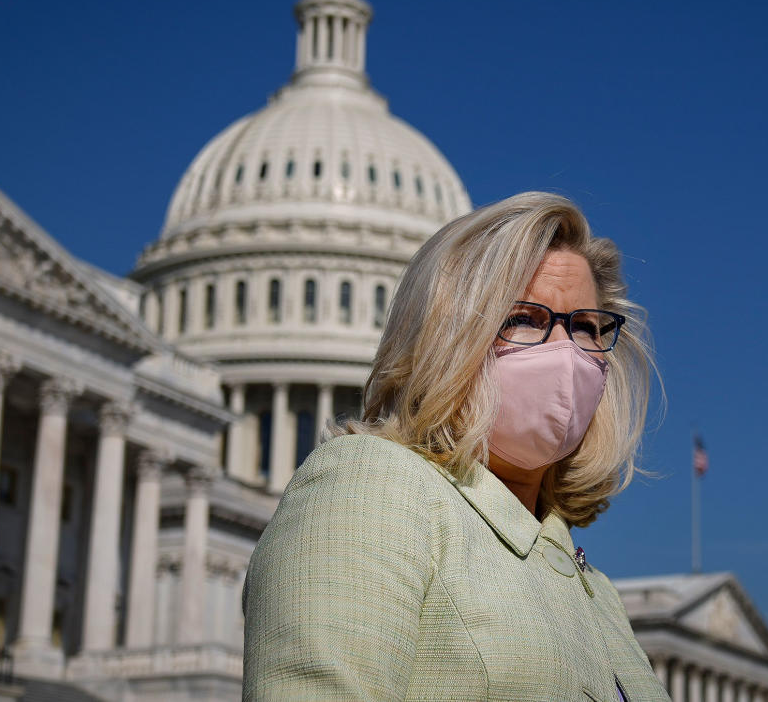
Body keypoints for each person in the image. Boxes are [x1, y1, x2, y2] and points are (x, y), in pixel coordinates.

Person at [243, 192, 667, 701]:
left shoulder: (597, 592)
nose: (565, 351)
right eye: (524, 319)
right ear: (448, 336)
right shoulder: (372, 485)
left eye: (585, 327)